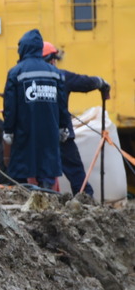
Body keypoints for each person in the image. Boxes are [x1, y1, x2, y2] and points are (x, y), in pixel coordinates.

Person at [1, 29, 70, 189]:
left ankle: (26, 199)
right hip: (50, 133)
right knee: (47, 171)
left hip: (25, 132)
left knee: (23, 171)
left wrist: (8, 130)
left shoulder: (15, 73)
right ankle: (48, 199)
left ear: (23, 48)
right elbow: (62, 103)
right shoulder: (55, 73)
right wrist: (63, 126)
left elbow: (10, 106)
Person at [42, 40, 109, 197]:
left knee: (42, 174)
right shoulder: (62, 76)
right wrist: (101, 82)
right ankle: (85, 202)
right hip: (62, 134)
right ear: (52, 59)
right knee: (76, 174)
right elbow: (85, 82)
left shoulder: (27, 78)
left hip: (40, 136)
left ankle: (44, 200)